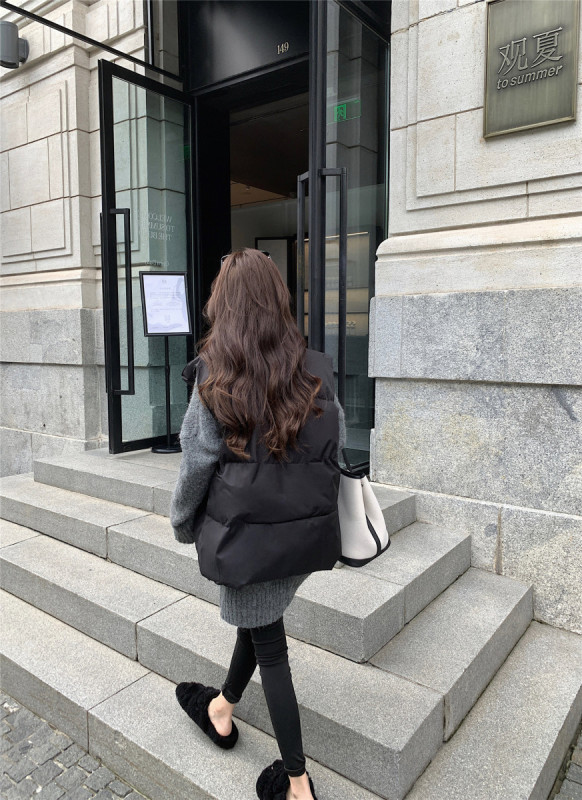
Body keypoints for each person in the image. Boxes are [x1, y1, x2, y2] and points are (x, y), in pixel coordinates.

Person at [169, 248, 346, 800]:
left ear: (224, 305)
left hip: (247, 539)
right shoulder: (313, 371)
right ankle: (222, 707)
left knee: (270, 644)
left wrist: (182, 522)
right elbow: (334, 441)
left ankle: (297, 783)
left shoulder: (216, 378)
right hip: (299, 537)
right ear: (277, 302)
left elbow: (196, 462)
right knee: (261, 615)